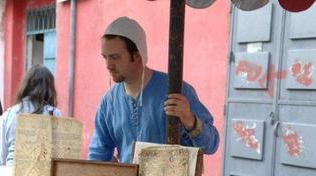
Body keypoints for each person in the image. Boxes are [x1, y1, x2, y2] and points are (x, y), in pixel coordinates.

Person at [88, 16, 219, 163]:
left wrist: (189, 120)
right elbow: (98, 153)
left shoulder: (176, 90)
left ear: (137, 55)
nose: (108, 65)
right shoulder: (109, 101)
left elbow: (211, 145)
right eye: (105, 57)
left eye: (115, 57)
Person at [0, 64, 62, 166]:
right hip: (43, 173)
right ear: (49, 88)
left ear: (26, 85)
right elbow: (58, 151)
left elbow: (3, 155)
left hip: (13, 172)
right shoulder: (54, 113)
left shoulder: (9, 113)